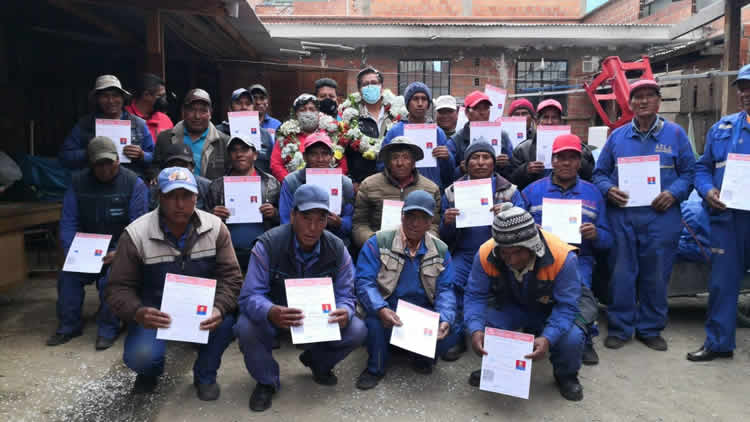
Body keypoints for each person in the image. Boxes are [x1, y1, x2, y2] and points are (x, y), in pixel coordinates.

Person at [105, 167, 243, 401]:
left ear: (196, 198)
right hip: (154, 311)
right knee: (141, 356)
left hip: (202, 311)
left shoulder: (216, 228)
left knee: (229, 323)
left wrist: (219, 308)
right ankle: (149, 373)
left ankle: (205, 375)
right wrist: (138, 312)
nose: (180, 204)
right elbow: (117, 287)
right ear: (159, 197)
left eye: (186, 196)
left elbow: (231, 278)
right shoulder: (136, 233)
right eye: (171, 196)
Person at [234, 184, 367, 412]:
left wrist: (346, 310)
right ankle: (266, 381)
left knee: (357, 329)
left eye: (321, 219)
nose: (313, 228)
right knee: (245, 327)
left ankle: (318, 362)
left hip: (316, 319)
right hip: (276, 315)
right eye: (306, 218)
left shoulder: (337, 249)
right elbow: (249, 296)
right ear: (293, 215)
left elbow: (346, 294)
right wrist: (270, 311)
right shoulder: (268, 245)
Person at [593, 79, 696, 351]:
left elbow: (690, 173)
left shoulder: (675, 135)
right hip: (623, 217)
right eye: (638, 97)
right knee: (622, 275)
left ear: (658, 101)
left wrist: (673, 193)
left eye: (650, 96)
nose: (643, 101)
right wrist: (608, 189)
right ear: (630, 104)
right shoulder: (617, 137)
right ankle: (620, 326)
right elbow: (599, 173)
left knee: (656, 275)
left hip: (661, 218)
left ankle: (650, 328)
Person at [465, 204, 585, 401]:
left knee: (571, 338)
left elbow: (566, 307)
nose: (510, 260)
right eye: (504, 253)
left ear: (532, 245)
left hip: (550, 309)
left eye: (517, 252)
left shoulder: (564, 257)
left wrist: (548, 337)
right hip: (512, 305)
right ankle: (496, 367)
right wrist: (475, 328)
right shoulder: (485, 253)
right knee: (486, 327)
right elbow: (475, 295)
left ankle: (566, 375)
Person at [48, 136, 149, 349]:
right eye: (98, 164)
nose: (104, 169)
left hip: (118, 250)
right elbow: (68, 221)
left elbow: (138, 226)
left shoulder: (135, 184)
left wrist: (119, 252)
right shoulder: (76, 184)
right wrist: (70, 251)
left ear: (117, 161)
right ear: (90, 164)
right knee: (68, 278)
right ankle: (69, 326)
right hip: (85, 249)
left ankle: (109, 328)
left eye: (108, 163)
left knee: (110, 282)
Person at [523, 134, 613, 365]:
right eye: (560, 157)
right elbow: (517, 230)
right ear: (552, 160)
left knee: (580, 290)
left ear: (580, 162)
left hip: (577, 257)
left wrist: (596, 234)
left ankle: (584, 337)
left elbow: (608, 239)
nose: (566, 163)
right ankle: (534, 332)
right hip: (538, 258)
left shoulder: (593, 193)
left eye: (572, 158)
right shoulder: (532, 191)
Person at [355, 190, 458, 389]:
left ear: (430, 222)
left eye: (422, 218)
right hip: (388, 308)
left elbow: (446, 290)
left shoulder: (441, 250)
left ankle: (418, 356)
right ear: (402, 216)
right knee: (374, 322)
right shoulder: (377, 242)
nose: (415, 223)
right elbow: (364, 283)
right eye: (410, 216)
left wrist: (445, 317)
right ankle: (375, 367)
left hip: (421, 312)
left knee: (451, 330)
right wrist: (380, 308)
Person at [439, 141, 526, 361]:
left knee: (507, 290)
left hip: (501, 254)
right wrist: (447, 222)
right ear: (466, 164)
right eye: (474, 158)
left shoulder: (510, 190)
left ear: (494, 162)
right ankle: (458, 335)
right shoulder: (451, 192)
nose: (480, 162)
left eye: (485, 157)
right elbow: (443, 236)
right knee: (453, 283)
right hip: (465, 253)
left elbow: (526, 224)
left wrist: (509, 214)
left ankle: (501, 340)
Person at [688, 64, 750, 362]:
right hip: (728, 219)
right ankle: (719, 343)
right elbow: (702, 168)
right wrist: (707, 190)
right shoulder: (722, 128)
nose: (746, 94)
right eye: (743, 87)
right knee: (723, 283)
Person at [352, 136, 441, 250]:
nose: (400, 163)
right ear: (388, 162)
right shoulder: (369, 185)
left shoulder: (431, 189)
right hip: (379, 249)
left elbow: (433, 226)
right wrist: (373, 241)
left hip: (418, 250)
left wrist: (422, 245)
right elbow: (359, 224)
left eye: (406, 157)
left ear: (414, 162)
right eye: (394, 158)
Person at [206, 136, 280, 272]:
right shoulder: (216, 186)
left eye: (245, 150)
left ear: (255, 155)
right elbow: (202, 222)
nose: (239, 154)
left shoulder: (271, 183)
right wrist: (212, 215)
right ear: (229, 156)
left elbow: (286, 220)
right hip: (227, 253)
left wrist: (275, 213)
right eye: (234, 150)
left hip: (263, 251)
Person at [60, 75, 155, 179]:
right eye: (105, 96)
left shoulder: (139, 124)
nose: (110, 101)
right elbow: (65, 157)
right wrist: (89, 152)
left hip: (131, 182)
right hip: (94, 182)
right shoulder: (85, 124)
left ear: (122, 98)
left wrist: (142, 155)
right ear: (97, 99)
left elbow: (155, 158)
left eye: (115, 96)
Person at [279, 132, 354, 246]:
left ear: (332, 156)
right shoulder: (291, 182)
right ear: (304, 157)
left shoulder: (345, 183)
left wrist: (340, 223)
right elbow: (285, 220)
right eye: (313, 154)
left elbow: (351, 220)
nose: (320, 159)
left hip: (336, 242)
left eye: (325, 154)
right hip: (299, 242)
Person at [379, 82, 456, 191]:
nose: (420, 103)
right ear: (407, 103)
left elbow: (448, 173)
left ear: (428, 104)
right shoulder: (395, 131)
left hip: (431, 190)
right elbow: (382, 163)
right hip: (401, 190)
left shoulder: (438, 132)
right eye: (415, 99)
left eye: (424, 99)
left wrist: (447, 158)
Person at [510, 99, 595, 190]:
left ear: (561, 121)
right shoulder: (523, 149)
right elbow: (511, 181)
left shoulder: (580, 148)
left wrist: (576, 160)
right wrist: (525, 170)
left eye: (554, 117)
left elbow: (591, 178)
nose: (549, 122)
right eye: (545, 117)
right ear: (538, 121)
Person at [342, 67, 400, 187]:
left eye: (374, 83)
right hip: (361, 184)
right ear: (359, 90)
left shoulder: (395, 114)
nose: (370, 87)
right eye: (365, 84)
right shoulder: (351, 117)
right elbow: (345, 152)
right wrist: (352, 181)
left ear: (381, 87)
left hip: (394, 182)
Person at [270, 94, 348, 181]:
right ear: (296, 114)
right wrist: (292, 183)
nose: (307, 113)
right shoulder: (286, 135)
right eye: (302, 110)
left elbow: (342, 165)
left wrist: (333, 182)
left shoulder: (332, 133)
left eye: (311, 109)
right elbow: (276, 164)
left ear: (318, 112)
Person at [154, 89, 229, 180]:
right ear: (183, 111)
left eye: (203, 111)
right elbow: (155, 167)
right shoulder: (165, 138)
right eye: (192, 110)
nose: (197, 116)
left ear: (210, 113)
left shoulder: (224, 142)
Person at [451, 90, 513, 180]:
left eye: (486, 108)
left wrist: (506, 164)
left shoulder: (502, 136)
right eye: (477, 108)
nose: (482, 112)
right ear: (467, 113)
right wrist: (460, 170)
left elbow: (513, 170)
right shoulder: (456, 140)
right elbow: (447, 174)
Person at [216, 88, 275, 174]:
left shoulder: (265, 135)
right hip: (227, 184)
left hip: (260, 185)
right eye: (239, 103)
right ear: (230, 108)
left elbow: (270, 166)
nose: (244, 107)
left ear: (253, 108)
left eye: (248, 104)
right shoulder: (218, 132)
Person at [148, 142, 211, 211]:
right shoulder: (157, 186)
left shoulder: (206, 186)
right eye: (174, 165)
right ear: (165, 168)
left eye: (183, 165)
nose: (178, 169)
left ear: (192, 168)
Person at [125, 73, 174, 141]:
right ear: (146, 95)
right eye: (159, 96)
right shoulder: (124, 116)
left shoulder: (165, 120)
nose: (163, 99)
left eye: (164, 95)